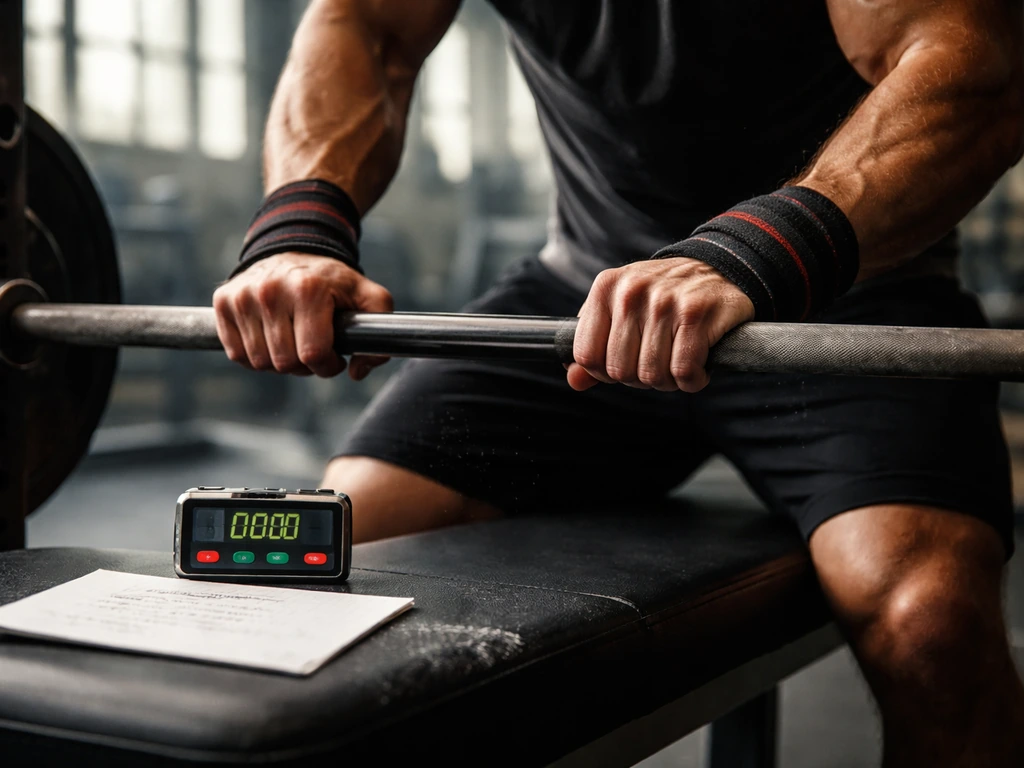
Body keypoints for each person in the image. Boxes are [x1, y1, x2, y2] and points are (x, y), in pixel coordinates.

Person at [213, 1, 1024, 764]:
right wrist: (300, 229)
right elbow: (367, 25)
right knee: (346, 549)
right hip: (586, 307)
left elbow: (972, 61)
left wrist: (754, 256)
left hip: (846, 300)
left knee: (932, 629)